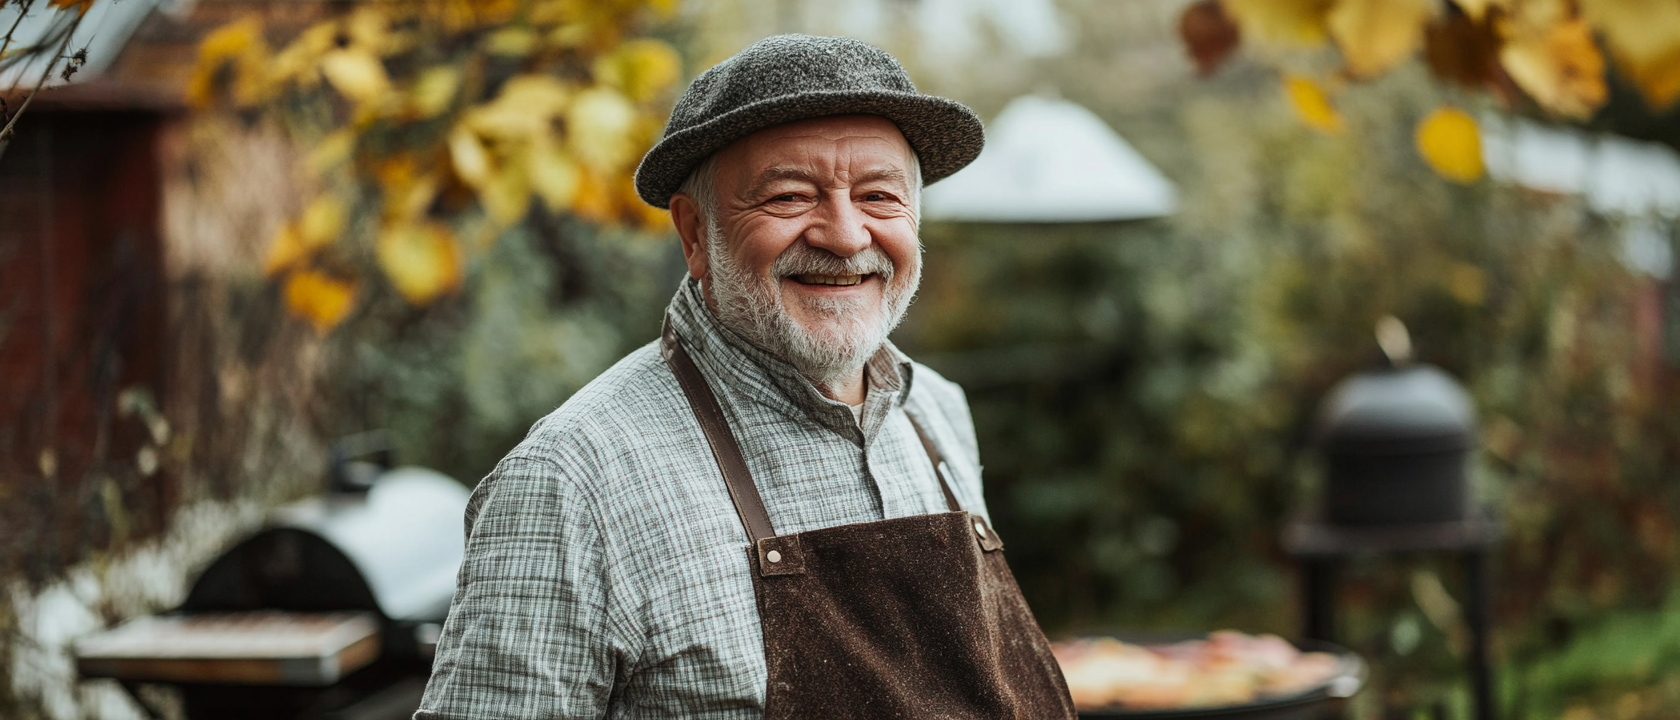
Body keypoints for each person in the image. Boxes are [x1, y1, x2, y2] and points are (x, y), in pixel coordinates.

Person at [416, 34, 1075, 720]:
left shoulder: (936, 415)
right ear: (695, 234)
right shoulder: (571, 482)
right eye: (790, 197)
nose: (847, 236)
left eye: (879, 195)